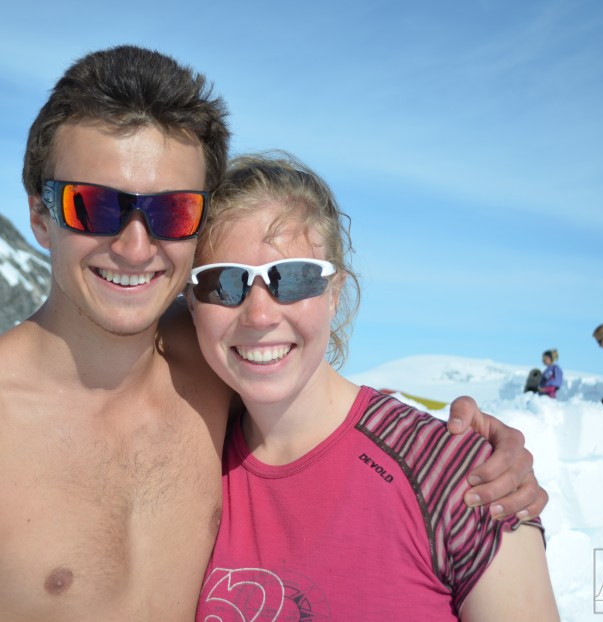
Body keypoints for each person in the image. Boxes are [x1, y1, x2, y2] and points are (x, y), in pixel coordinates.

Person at [0, 46, 545, 621]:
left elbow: (316, 391)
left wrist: (474, 443)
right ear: (40, 214)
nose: (135, 247)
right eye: (93, 206)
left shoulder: (212, 369)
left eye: (171, 213)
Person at [188, 153, 559, 620]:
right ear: (191, 303)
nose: (260, 315)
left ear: (335, 293)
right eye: (223, 283)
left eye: (295, 279)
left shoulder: (462, 478)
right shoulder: (186, 468)